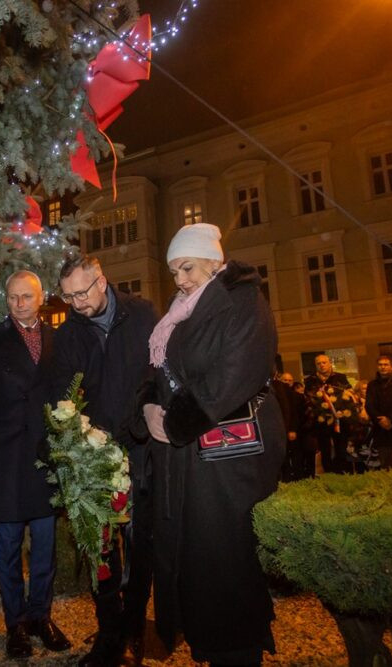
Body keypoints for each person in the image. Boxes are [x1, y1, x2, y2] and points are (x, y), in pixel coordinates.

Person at [142, 223, 286, 666]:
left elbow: (235, 374)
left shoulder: (242, 301)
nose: (180, 279)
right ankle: (204, 639)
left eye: (186, 268)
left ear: (212, 260)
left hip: (229, 456)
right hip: (188, 454)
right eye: (174, 272)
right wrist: (148, 405)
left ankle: (236, 651)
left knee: (225, 553)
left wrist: (178, 423)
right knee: (195, 552)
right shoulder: (179, 311)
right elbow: (158, 371)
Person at [53, 254, 157, 667]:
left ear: (102, 280)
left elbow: (159, 372)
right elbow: (64, 394)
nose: (76, 303)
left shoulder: (143, 314)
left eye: (82, 292)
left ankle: (134, 627)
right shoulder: (69, 335)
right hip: (93, 457)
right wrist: (74, 440)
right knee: (99, 549)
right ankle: (109, 631)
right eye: (67, 296)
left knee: (139, 544)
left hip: (141, 448)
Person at [0, 271, 71, 659]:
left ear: (41, 298)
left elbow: (67, 395)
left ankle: (40, 617)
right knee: (8, 547)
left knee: (45, 547)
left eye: (26, 296)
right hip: (7, 459)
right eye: (13, 297)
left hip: (45, 460)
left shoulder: (56, 340)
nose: (20, 303)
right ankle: (15, 626)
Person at [304, 354, 352, 474]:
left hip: (339, 421)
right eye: (319, 363)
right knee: (325, 451)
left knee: (341, 449)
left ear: (330, 363)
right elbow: (308, 399)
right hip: (321, 421)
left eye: (324, 362)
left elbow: (349, 395)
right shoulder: (310, 380)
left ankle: (341, 473)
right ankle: (329, 475)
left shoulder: (340, 377)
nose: (322, 365)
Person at [274, 370, 308, 481]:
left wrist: (293, 429)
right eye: (285, 380)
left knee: (296, 456)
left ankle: (298, 478)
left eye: (290, 380)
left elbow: (296, 414)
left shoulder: (297, 396)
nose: (287, 382)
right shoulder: (276, 394)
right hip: (281, 430)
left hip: (295, 430)